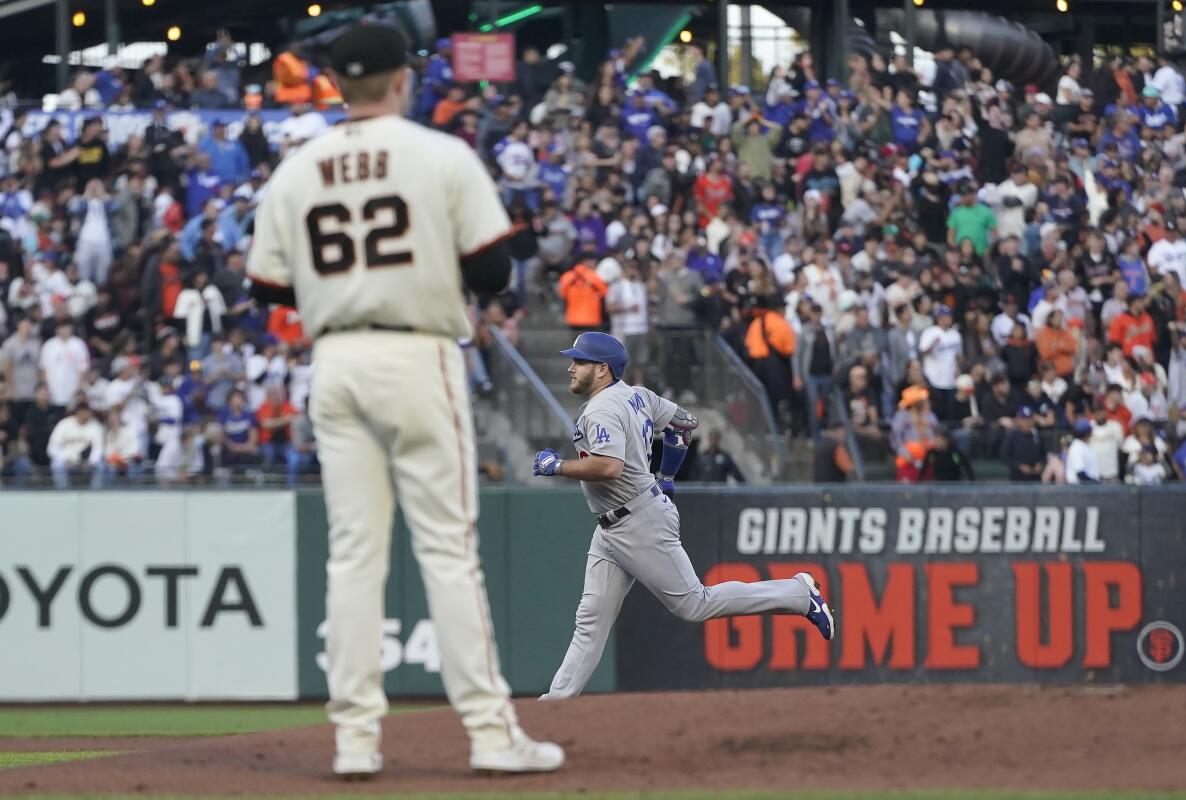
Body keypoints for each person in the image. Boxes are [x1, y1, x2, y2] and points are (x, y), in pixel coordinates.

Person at [246, 24, 561, 779]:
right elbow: (492, 271)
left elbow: (264, 284)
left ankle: (355, 741)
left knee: (354, 556)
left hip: (337, 359)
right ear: (401, 80)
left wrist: (337, 287)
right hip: (416, 352)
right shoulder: (439, 154)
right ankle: (489, 734)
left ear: (337, 84)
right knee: (448, 552)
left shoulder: (297, 167)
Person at [533, 332, 833, 700]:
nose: (570, 367)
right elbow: (685, 422)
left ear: (601, 369)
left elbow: (609, 467)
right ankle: (556, 704)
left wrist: (557, 466)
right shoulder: (638, 395)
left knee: (695, 603)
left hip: (636, 519)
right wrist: (667, 474)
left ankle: (798, 594)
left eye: (579, 361)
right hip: (615, 523)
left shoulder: (601, 409)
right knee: (590, 621)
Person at [1000, 405, 1046, 482]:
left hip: (1036, 477)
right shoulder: (1012, 436)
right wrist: (1019, 466)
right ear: (1018, 420)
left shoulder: (1037, 435)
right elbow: (1004, 456)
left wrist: (1040, 464)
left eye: (1030, 419)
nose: (1027, 422)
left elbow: (1044, 454)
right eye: (1024, 419)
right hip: (1017, 478)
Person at [1065, 419, 1100, 484]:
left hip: (1087, 488)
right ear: (1086, 433)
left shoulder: (1084, 445)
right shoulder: (1076, 448)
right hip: (1079, 489)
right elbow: (1080, 474)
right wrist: (1096, 483)